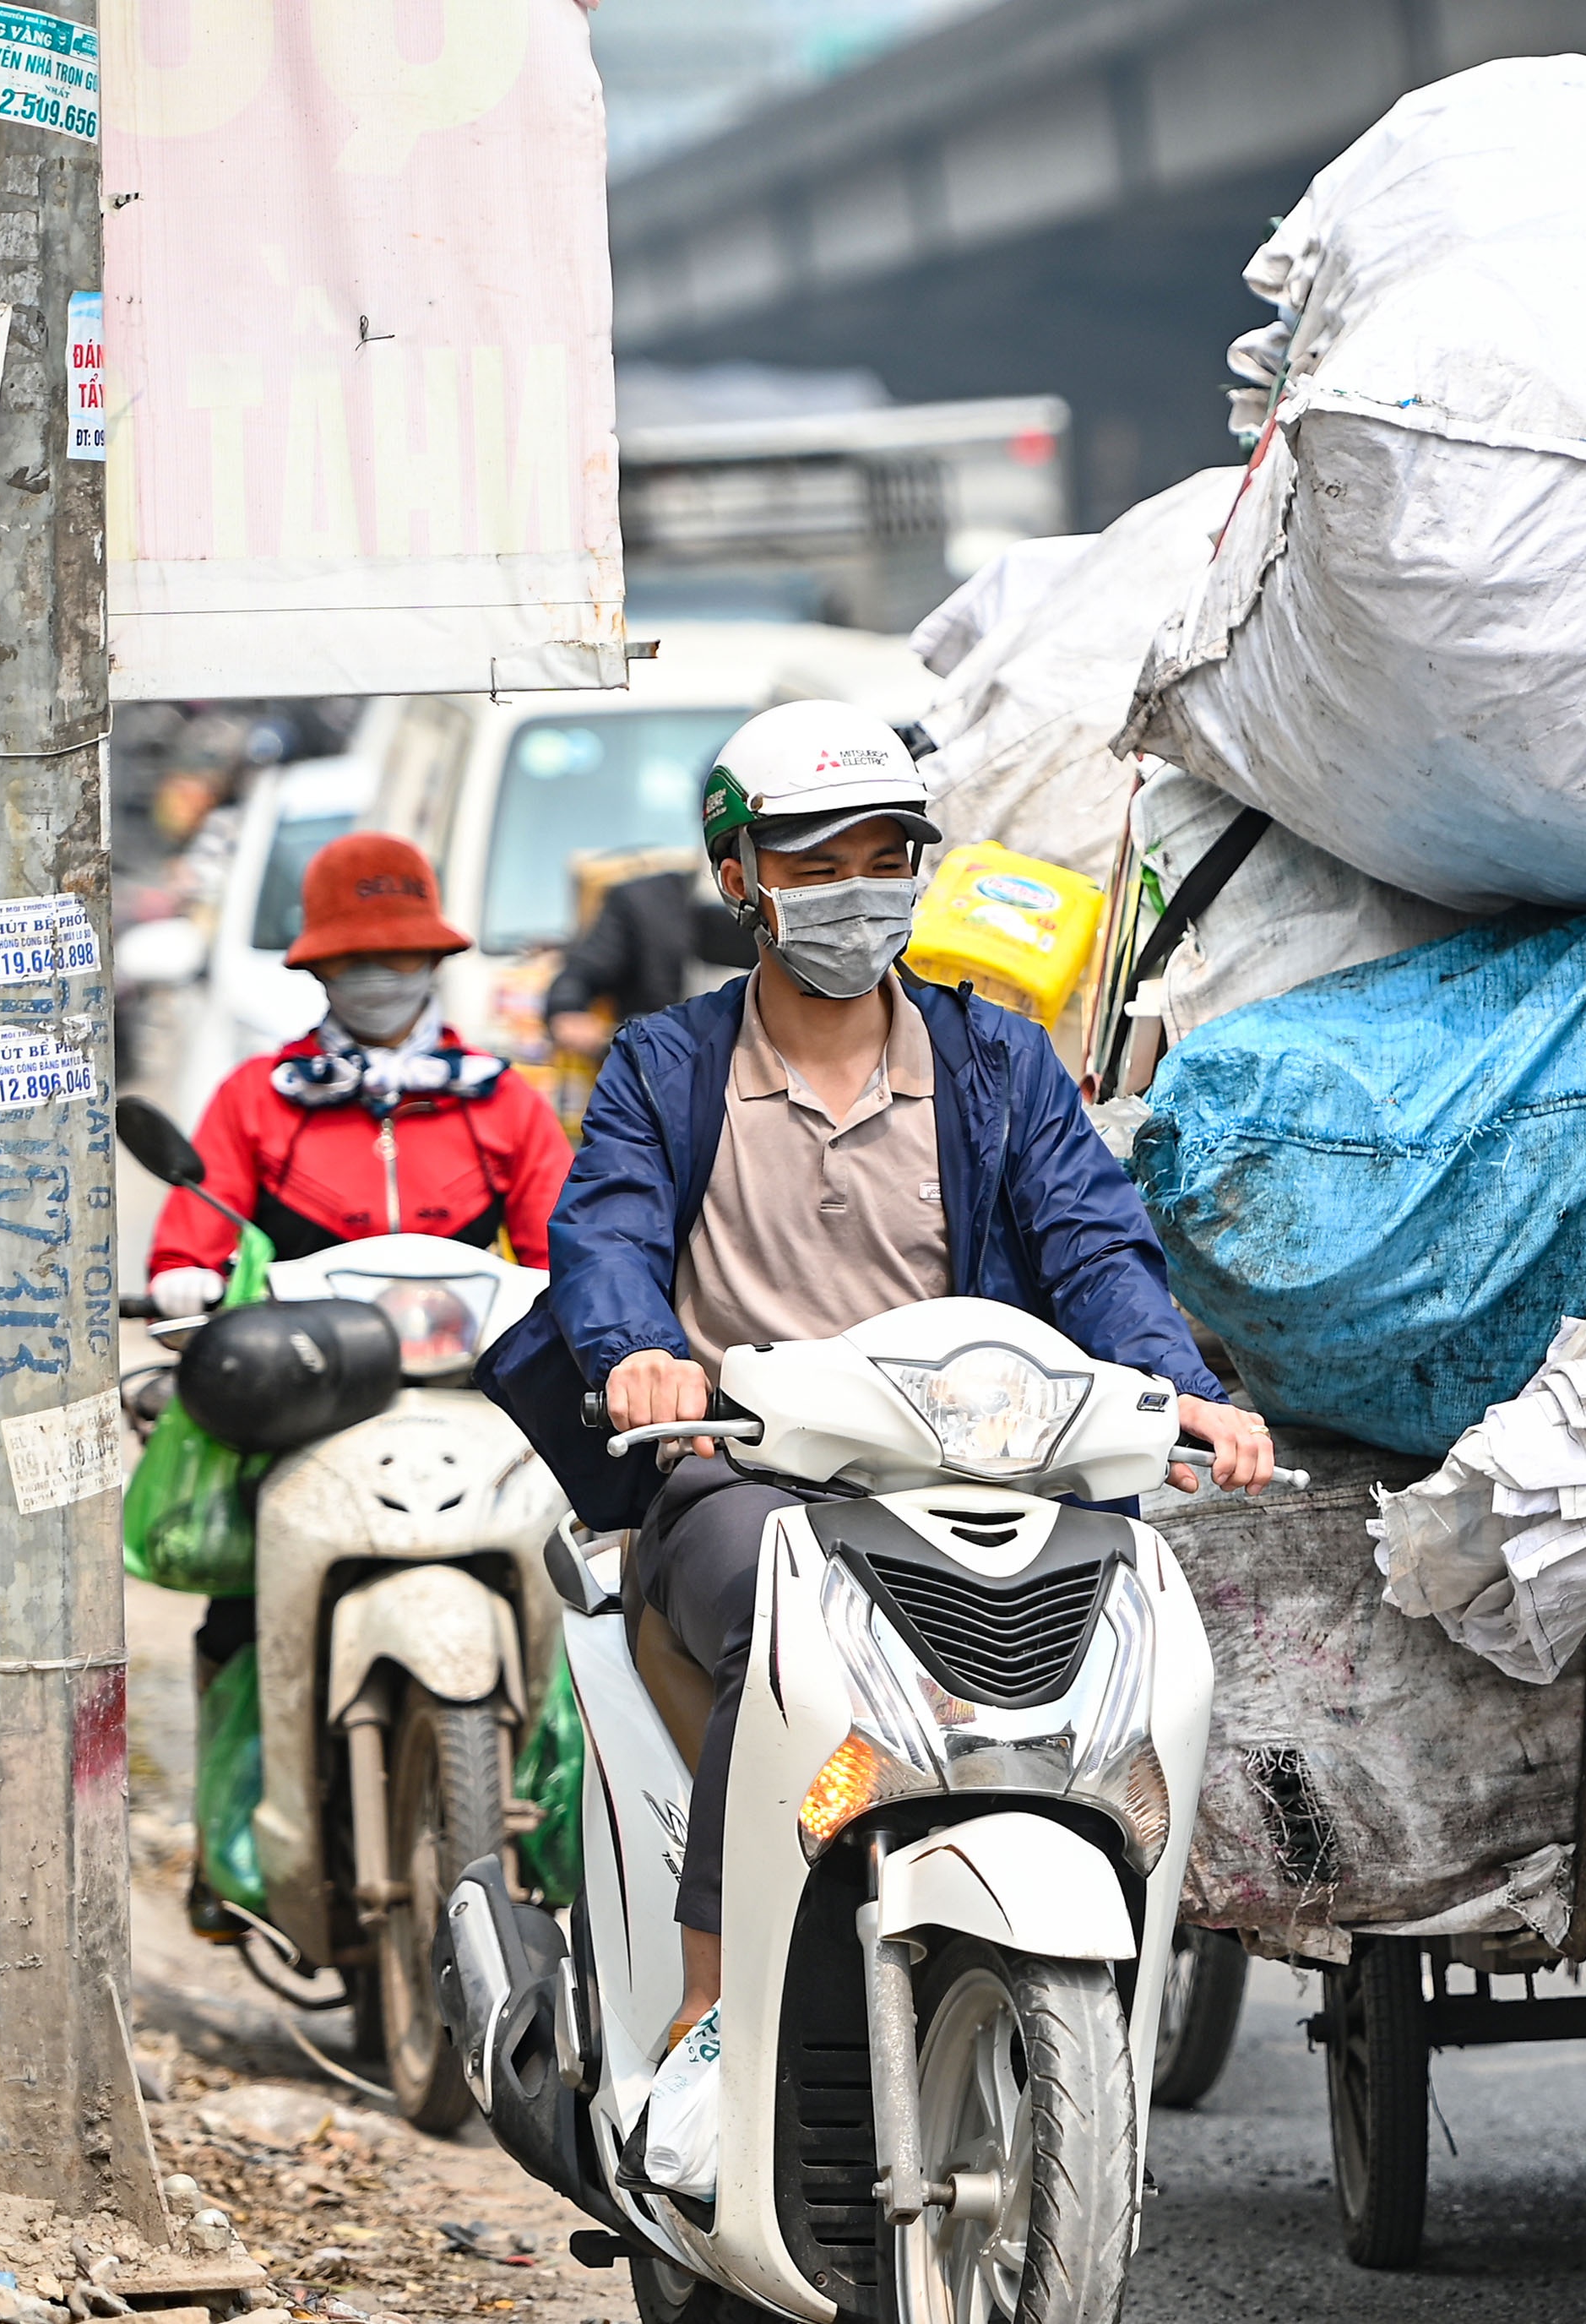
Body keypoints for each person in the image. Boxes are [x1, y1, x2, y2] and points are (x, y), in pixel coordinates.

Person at [478, 697, 1275, 2069]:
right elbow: (600, 1232)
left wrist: (1171, 1384)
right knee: (775, 1632)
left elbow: (1090, 1239)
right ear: (740, 881)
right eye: (815, 863)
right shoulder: (667, 1068)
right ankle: (710, 1995)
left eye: (884, 857)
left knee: (1118, 1605)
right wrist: (639, 1363)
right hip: (749, 1474)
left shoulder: (993, 1061)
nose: (858, 894)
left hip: (973, 1468)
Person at [144, 828, 574, 1936]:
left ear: (434, 965)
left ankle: (570, 1841)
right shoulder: (259, 1102)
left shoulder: (504, 1106)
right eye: (360, 956)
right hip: (308, 1407)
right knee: (234, 1614)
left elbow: (568, 1245)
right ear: (319, 969)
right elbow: (196, 1230)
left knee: (592, 1598)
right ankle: (233, 1840)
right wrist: (190, 1284)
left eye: (404, 954)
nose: (383, 975)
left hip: (477, 1401)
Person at [540, 858, 761, 1056]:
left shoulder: (783, 909)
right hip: (658, 1064)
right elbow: (582, 972)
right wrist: (567, 1009)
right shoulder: (644, 901)